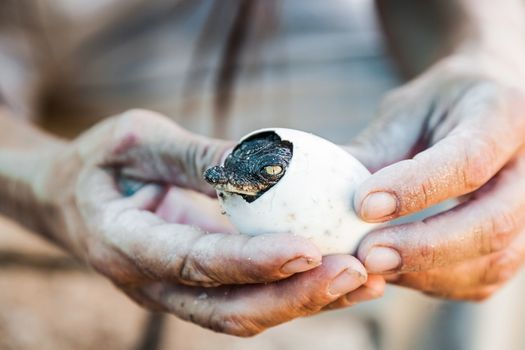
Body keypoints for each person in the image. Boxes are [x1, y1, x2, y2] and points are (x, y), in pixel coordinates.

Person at [0, 0, 524, 338]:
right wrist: (46, 175)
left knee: (470, 196)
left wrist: (483, 60)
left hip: (357, 45)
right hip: (110, 57)